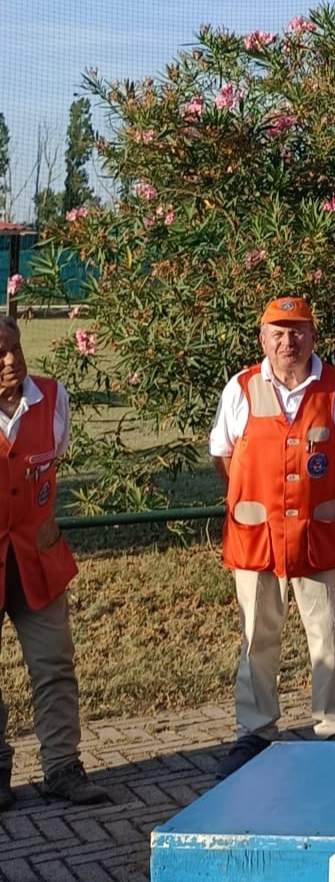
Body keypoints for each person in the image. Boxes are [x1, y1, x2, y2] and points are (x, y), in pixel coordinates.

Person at [209, 297, 335, 778]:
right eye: (277, 333)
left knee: (332, 637)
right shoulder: (240, 388)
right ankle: (255, 732)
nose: (288, 341)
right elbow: (223, 456)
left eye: (297, 331)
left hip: (323, 535)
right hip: (256, 538)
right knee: (256, 637)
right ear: (263, 340)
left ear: (312, 336)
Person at [0, 316, 108, 811]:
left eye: (15, 348)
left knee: (54, 665)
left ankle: (63, 768)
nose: (12, 361)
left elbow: (51, 458)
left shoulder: (51, 398)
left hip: (37, 561)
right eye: (0, 353)